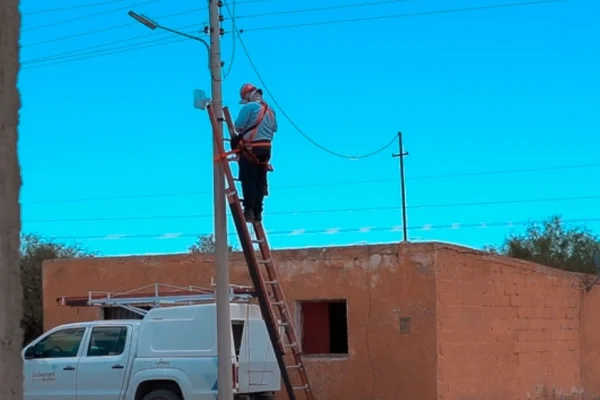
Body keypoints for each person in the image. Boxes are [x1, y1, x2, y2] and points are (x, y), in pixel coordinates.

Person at [231, 83, 277, 223]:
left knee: (248, 180)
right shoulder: (270, 110)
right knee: (259, 180)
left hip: (251, 148)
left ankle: (249, 210)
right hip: (266, 150)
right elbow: (274, 128)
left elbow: (237, 126)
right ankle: (258, 212)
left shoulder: (249, 107)